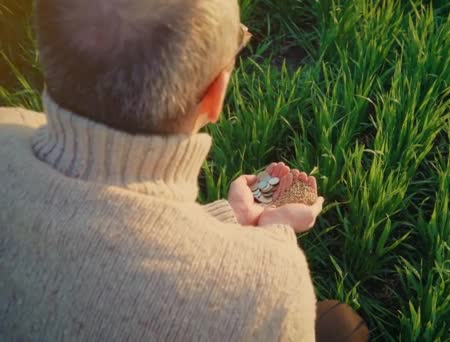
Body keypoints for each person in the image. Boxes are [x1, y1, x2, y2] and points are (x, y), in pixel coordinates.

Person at [0, 0, 368, 341]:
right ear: (215, 94)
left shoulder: (7, 126)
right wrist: (273, 238)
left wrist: (233, 217)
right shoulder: (267, 287)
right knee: (340, 325)